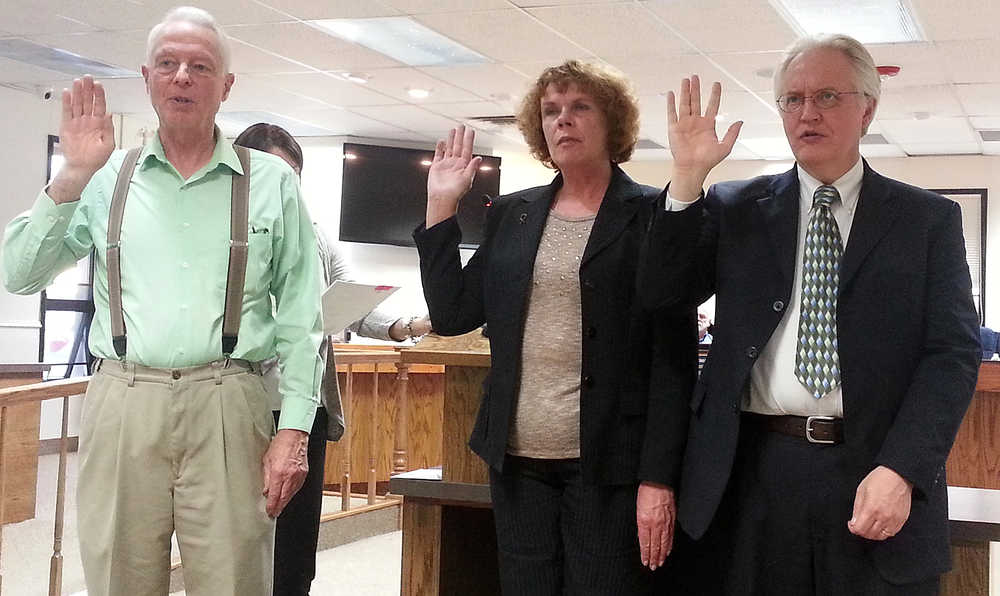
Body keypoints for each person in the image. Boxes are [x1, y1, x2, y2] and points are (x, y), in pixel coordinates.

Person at [639, 34, 981, 594]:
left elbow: (953, 354)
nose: (806, 113)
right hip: (753, 473)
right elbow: (662, 294)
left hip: (873, 470)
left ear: (867, 108)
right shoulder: (736, 207)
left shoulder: (926, 220)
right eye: (792, 100)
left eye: (827, 96)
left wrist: (903, 469)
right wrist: (685, 181)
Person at [1, 7, 323, 596]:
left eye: (200, 66)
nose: (182, 77)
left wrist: (295, 430)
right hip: (124, 401)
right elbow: (18, 274)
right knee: (119, 578)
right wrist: (71, 173)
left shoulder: (272, 184)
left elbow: (303, 320)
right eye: (169, 64)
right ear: (147, 77)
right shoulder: (103, 178)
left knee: (234, 581)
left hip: (230, 401)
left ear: (225, 87)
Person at [413, 60, 696, 595]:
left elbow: (672, 358)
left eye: (579, 107)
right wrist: (441, 204)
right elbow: (453, 314)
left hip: (608, 463)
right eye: (551, 111)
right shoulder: (515, 214)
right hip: (518, 462)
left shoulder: (652, 214)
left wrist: (657, 477)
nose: (563, 120)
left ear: (611, 121)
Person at [233, 122, 430, 596]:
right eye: (277, 173)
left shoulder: (315, 234)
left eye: (294, 175)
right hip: (245, 401)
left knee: (298, 543)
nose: (286, 186)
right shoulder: (224, 232)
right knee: (245, 534)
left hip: (308, 406)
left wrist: (406, 327)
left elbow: (352, 300)